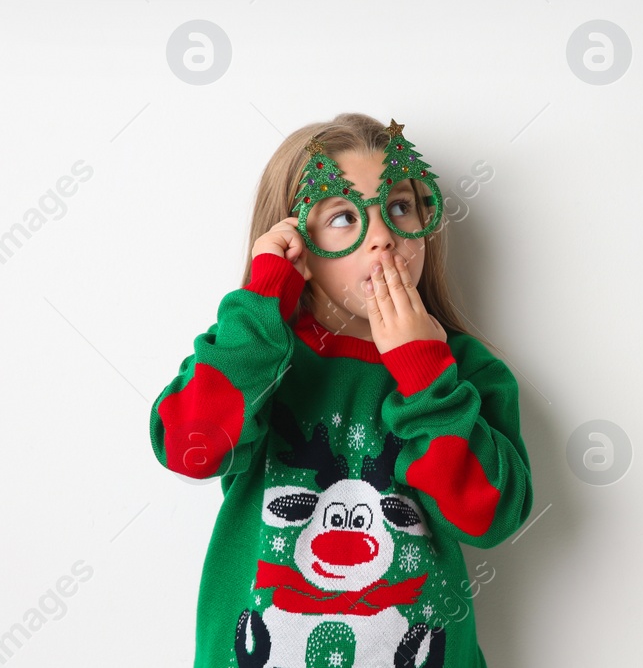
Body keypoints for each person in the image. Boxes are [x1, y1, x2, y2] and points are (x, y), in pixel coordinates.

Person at [148, 112, 533, 668]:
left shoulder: (464, 368)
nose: (383, 237)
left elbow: (490, 517)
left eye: (399, 207)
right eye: (345, 217)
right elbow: (189, 447)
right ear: (294, 240)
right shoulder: (258, 355)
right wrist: (262, 307)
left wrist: (424, 374)